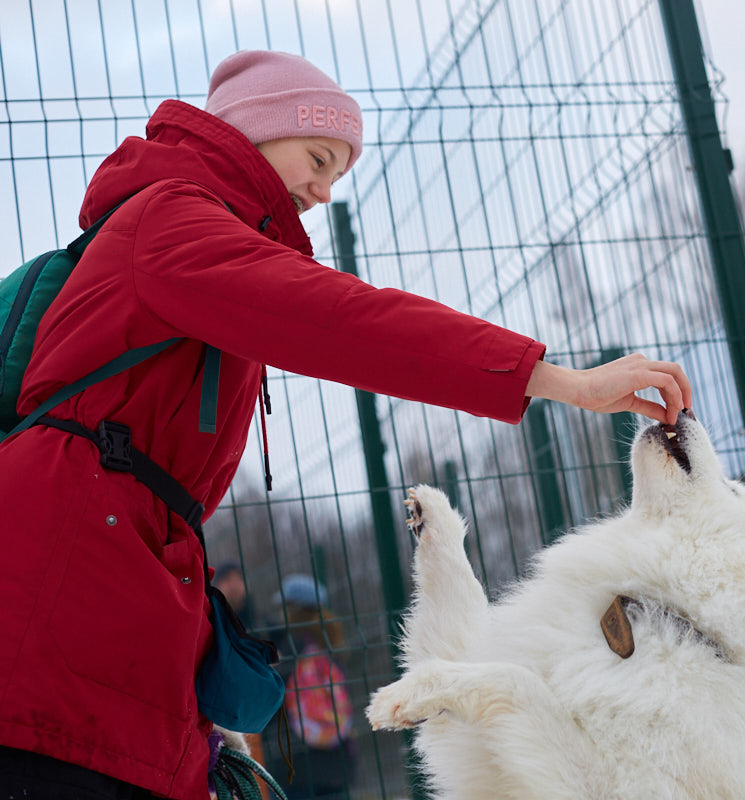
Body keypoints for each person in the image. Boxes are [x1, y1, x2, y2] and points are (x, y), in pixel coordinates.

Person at [0, 50, 692, 799]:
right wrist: (559, 380)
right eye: (320, 157)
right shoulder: (172, 220)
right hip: (60, 596)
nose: (324, 190)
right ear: (252, 132)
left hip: (103, 584)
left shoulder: (186, 229)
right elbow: (350, 322)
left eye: (340, 173)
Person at [264, 575, 356, 800]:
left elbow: (274, 697)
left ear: (292, 608)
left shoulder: (292, 646)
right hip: (338, 761)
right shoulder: (333, 644)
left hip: (297, 766)